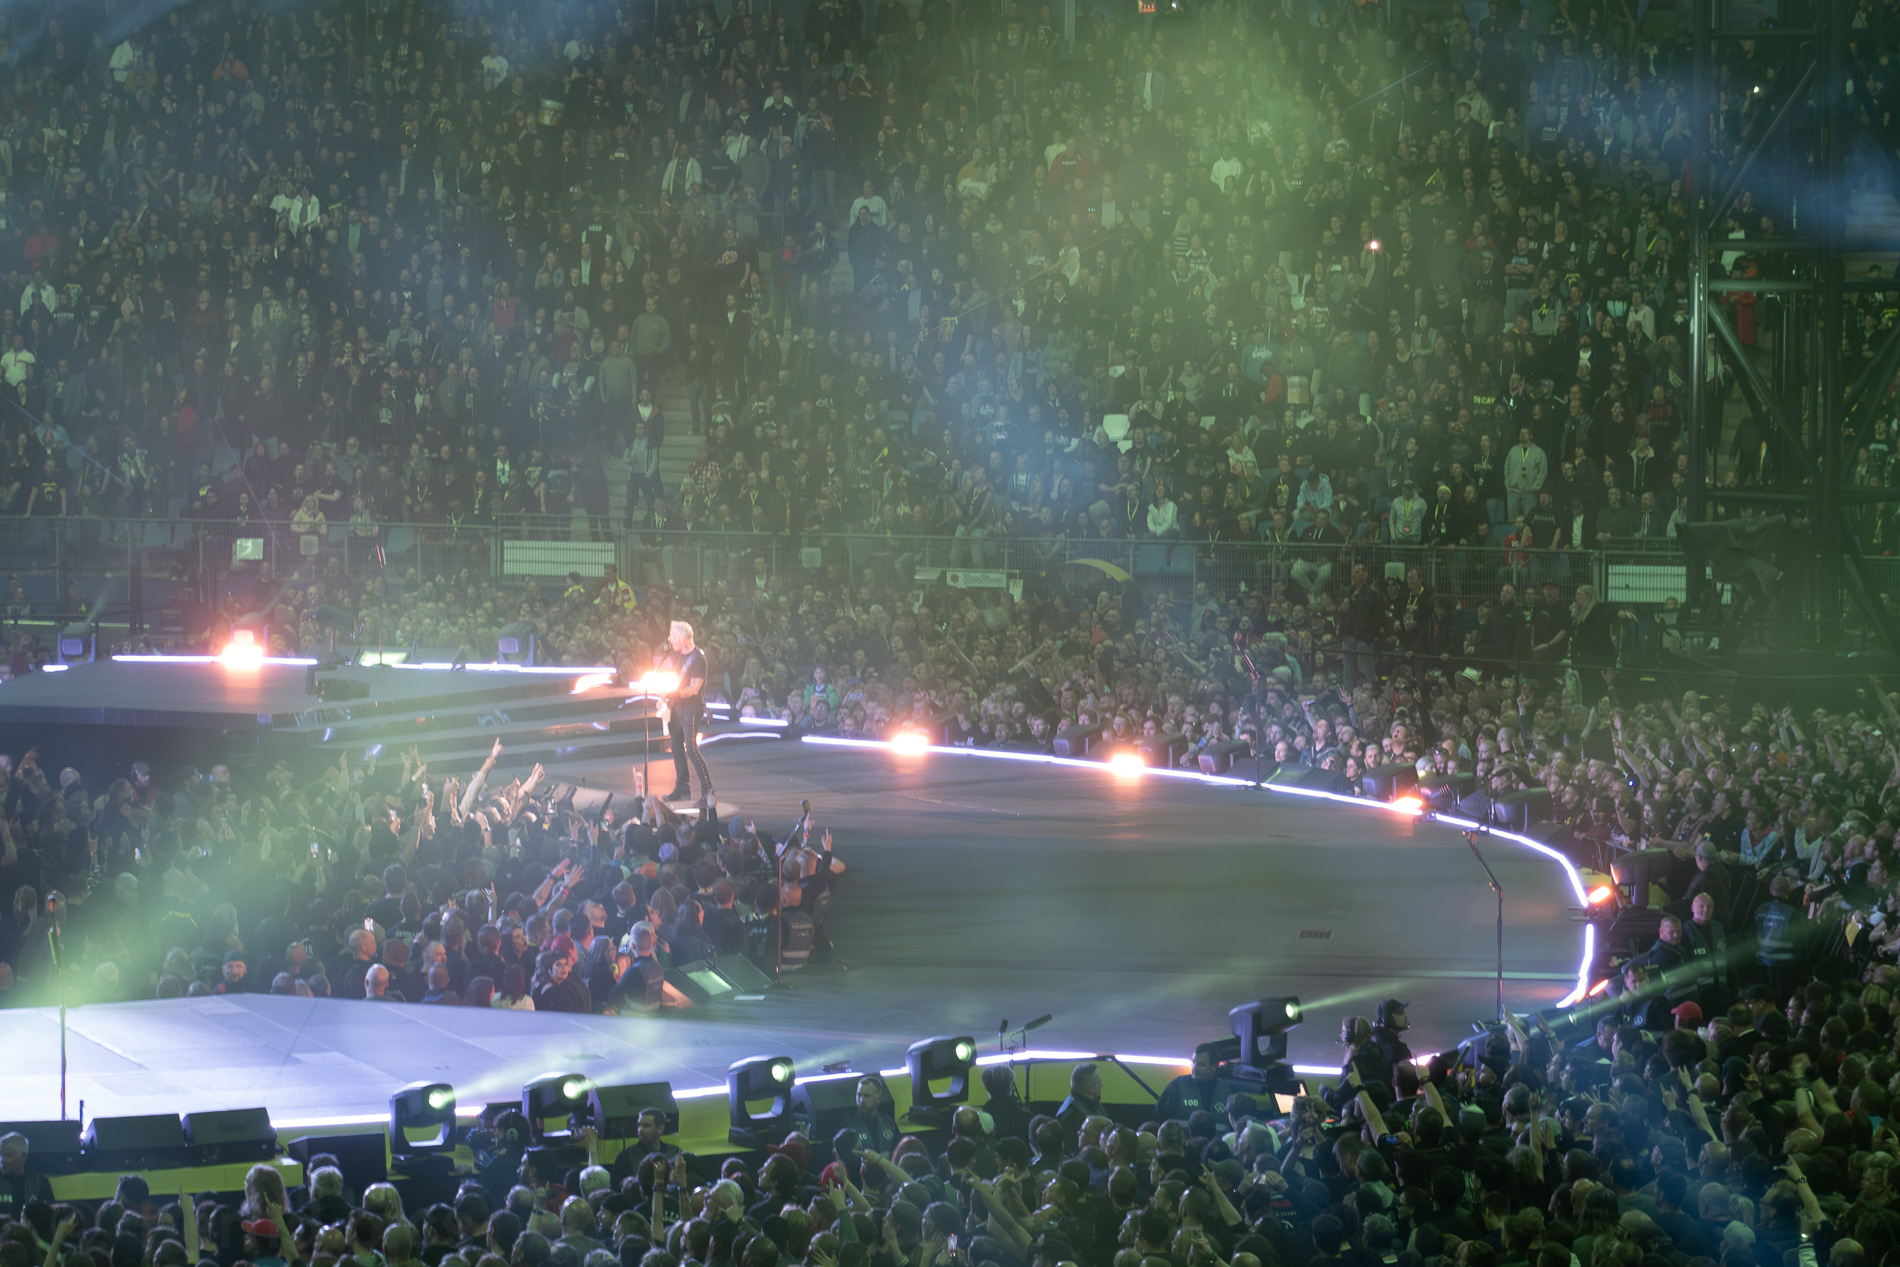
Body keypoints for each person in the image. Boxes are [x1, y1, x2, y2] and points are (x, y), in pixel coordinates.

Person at [660, 620, 714, 804]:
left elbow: (693, 688)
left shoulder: (698, 659)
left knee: (691, 749)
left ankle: (708, 792)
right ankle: (682, 787)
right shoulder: (680, 656)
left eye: (672, 635)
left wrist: (671, 694)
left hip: (690, 708)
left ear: (682, 637)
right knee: (676, 747)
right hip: (676, 707)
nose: (669, 639)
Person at [1154, 1043, 1235, 1122]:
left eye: (1201, 1064)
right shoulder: (1176, 1086)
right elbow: (1158, 1119)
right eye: (1193, 1062)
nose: (1194, 1068)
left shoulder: (1227, 1089)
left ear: (1214, 1066)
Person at [0, 1133, 53, 1219]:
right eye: (0, 1155)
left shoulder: (40, 1183)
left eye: (8, 1155)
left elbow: (48, 1215)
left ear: (24, 1156)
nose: (1, 1160)